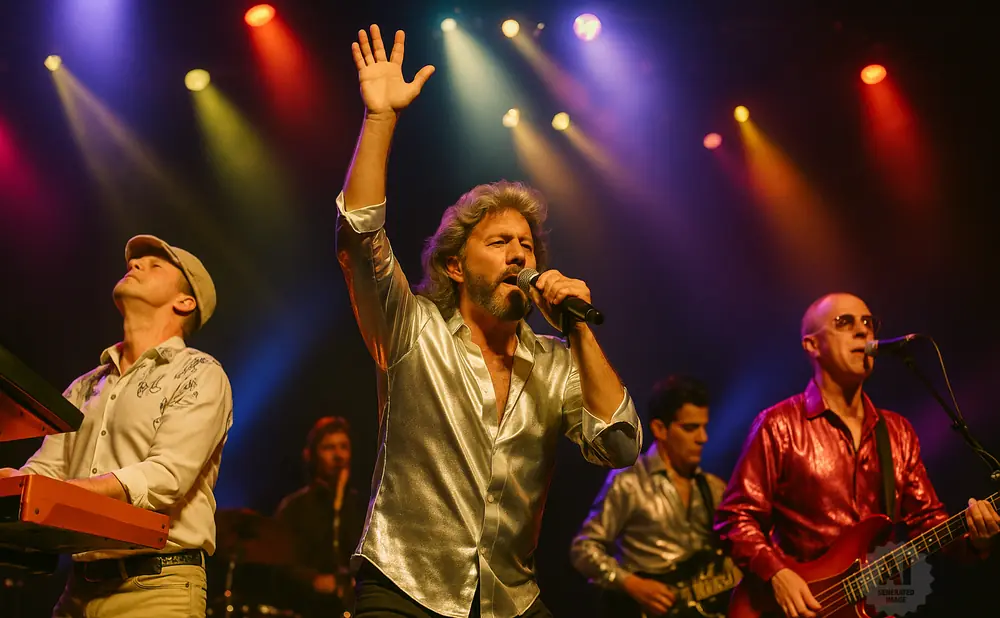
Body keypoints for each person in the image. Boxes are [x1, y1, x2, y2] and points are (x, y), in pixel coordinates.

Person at [336, 25, 642, 618]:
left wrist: (577, 328)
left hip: (507, 596)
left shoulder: (556, 362)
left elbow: (622, 444)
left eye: (526, 245)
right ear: (454, 265)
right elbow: (358, 237)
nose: (519, 255)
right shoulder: (412, 330)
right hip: (406, 588)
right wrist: (380, 120)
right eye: (499, 242)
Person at [713, 292, 1000, 618]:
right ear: (812, 346)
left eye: (868, 322)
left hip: (876, 606)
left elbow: (927, 522)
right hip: (795, 607)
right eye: (845, 323)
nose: (864, 331)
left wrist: (976, 539)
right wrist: (777, 573)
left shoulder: (898, 432)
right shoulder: (778, 425)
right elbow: (735, 517)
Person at [0, 235, 233, 618]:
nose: (136, 264)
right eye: (135, 261)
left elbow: (166, 475)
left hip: (157, 588)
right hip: (78, 587)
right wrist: (14, 483)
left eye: (154, 265)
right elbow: (47, 469)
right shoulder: (85, 385)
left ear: (184, 302)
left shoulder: (200, 373)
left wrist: (69, 492)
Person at [571, 375, 737, 618]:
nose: (703, 438)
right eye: (690, 428)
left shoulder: (713, 487)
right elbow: (583, 549)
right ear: (660, 429)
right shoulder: (628, 481)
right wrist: (632, 584)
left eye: (704, 427)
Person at [275, 416, 365, 617]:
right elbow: (280, 565)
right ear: (311, 455)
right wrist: (313, 579)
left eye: (344, 447)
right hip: (308, 608)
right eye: (329, 448)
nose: (339, 455)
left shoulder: (362, 506)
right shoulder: (295, 507)